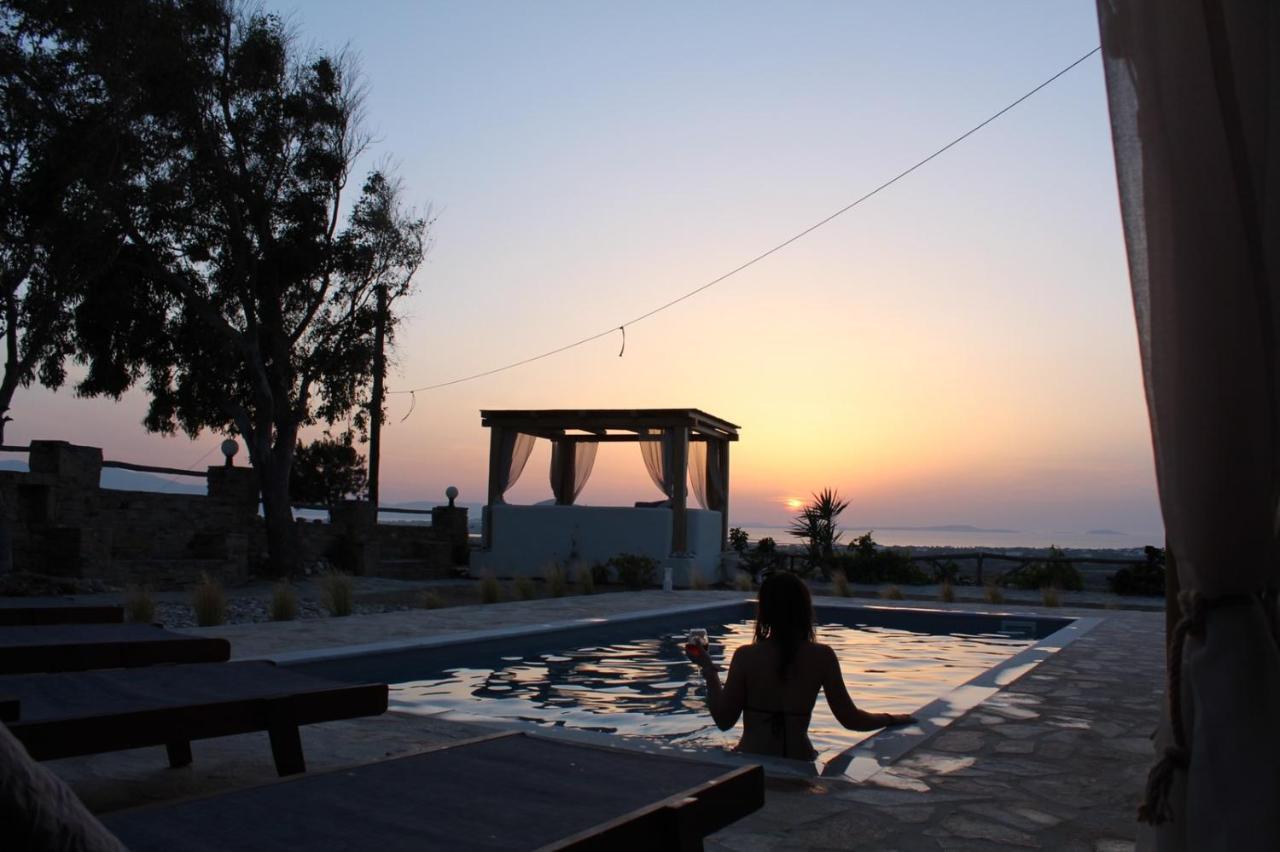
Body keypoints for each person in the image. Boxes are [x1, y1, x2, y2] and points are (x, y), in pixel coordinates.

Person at [686, 572, 916, 760]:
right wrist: (890, 718)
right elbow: (850, 719)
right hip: (801, 760)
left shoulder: (747, 656)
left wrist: (708, 670)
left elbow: (724, 721)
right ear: (805, 611)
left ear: (764, 612)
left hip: (751, 761)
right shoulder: (822, 657)